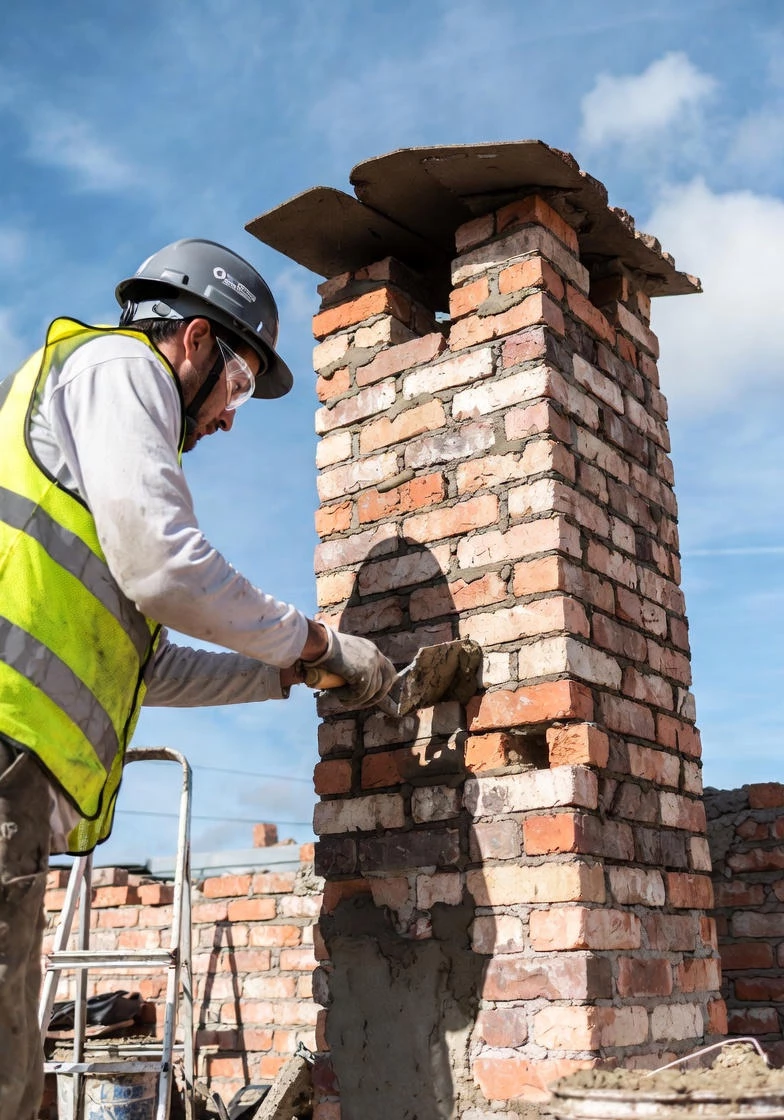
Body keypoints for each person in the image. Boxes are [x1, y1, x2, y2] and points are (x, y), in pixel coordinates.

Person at [0, 238, 396, 1119]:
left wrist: (287, 676)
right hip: (4, 754)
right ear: (193, 341)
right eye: (242, 384)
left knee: (17, 1084)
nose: (227, 419)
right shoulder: (117, 367)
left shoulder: (97, 434)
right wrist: (317, 642)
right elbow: (169, 570)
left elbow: (153, 659)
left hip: (18, 775)